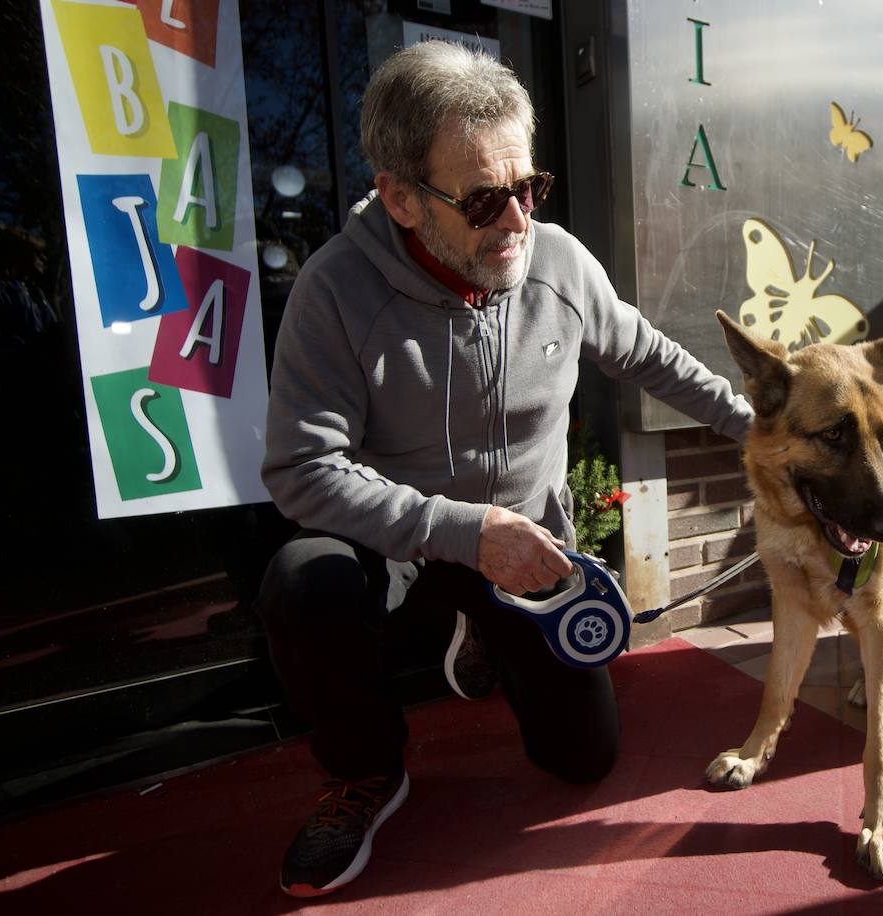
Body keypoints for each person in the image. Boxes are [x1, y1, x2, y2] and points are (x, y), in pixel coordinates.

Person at [256, 40, 752, 897]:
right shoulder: (335, 292)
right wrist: (460, 532)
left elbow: (655, 358)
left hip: (530, 552)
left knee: (583, 761)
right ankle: (366, 771)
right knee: (305, 581)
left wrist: (764, 431)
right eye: (485, 199)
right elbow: (301, 468)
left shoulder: (556, 263)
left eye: (530, 188)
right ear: (402, 198)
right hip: (403, 550)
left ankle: (486, 633)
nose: (518, 221)